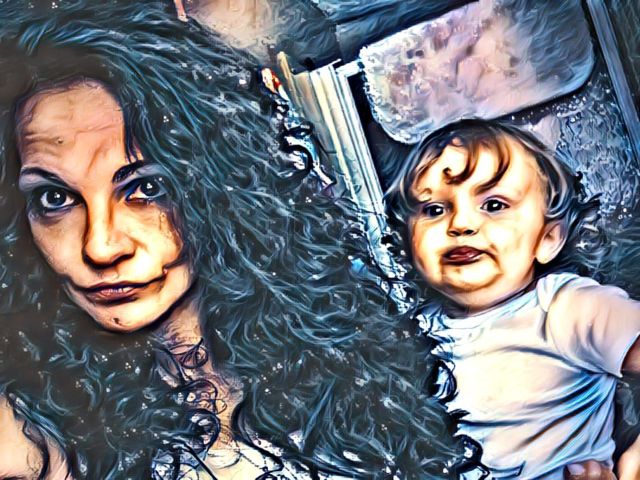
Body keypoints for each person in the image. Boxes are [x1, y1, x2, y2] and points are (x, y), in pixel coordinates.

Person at [0, 1, 459, 478]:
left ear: (217, 190)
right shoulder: (31, 433)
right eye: (55, 198)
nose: (101, 246)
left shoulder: (335, 358)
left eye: (146, 189)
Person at [385, 119, 640, 479]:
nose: (461, 224)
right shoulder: (415, 330)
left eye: (493, 204)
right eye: (434, 210)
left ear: (548, 238)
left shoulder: (565, 308)